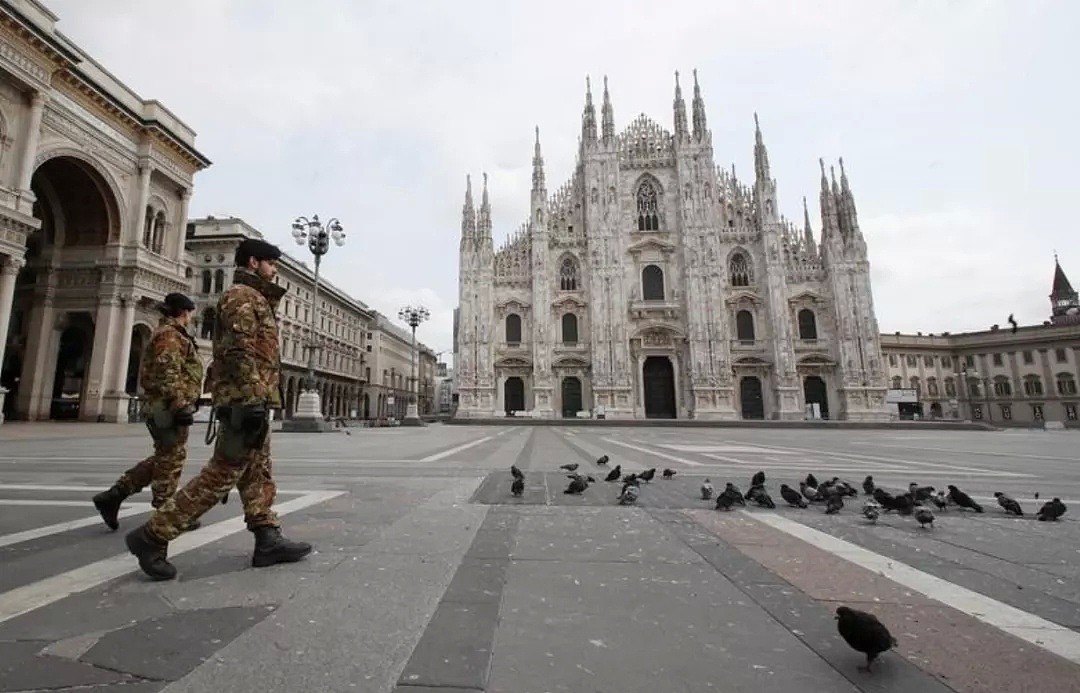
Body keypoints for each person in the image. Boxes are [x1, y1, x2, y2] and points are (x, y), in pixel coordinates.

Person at [125, 238, 312, 580]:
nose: (275, 270)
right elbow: (239, 351)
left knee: (258, 472)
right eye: (271, 263)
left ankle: (267, 538)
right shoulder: (242, 296)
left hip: (251, 397)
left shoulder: (255, 298)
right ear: (254, 262)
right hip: (245, 400)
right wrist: (253, 397)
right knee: (222, 474)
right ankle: (152, 536)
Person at [93, 293, 203, 532]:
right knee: (170, 460)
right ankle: (166, 514)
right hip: (166, 408)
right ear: (185, 312)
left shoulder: (173, 334)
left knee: (166, 457)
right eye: (190, 313)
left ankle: (113, 496)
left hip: (165, 406)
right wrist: (179, 404)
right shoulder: (170, 336)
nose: (191, 318)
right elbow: (168, 371)